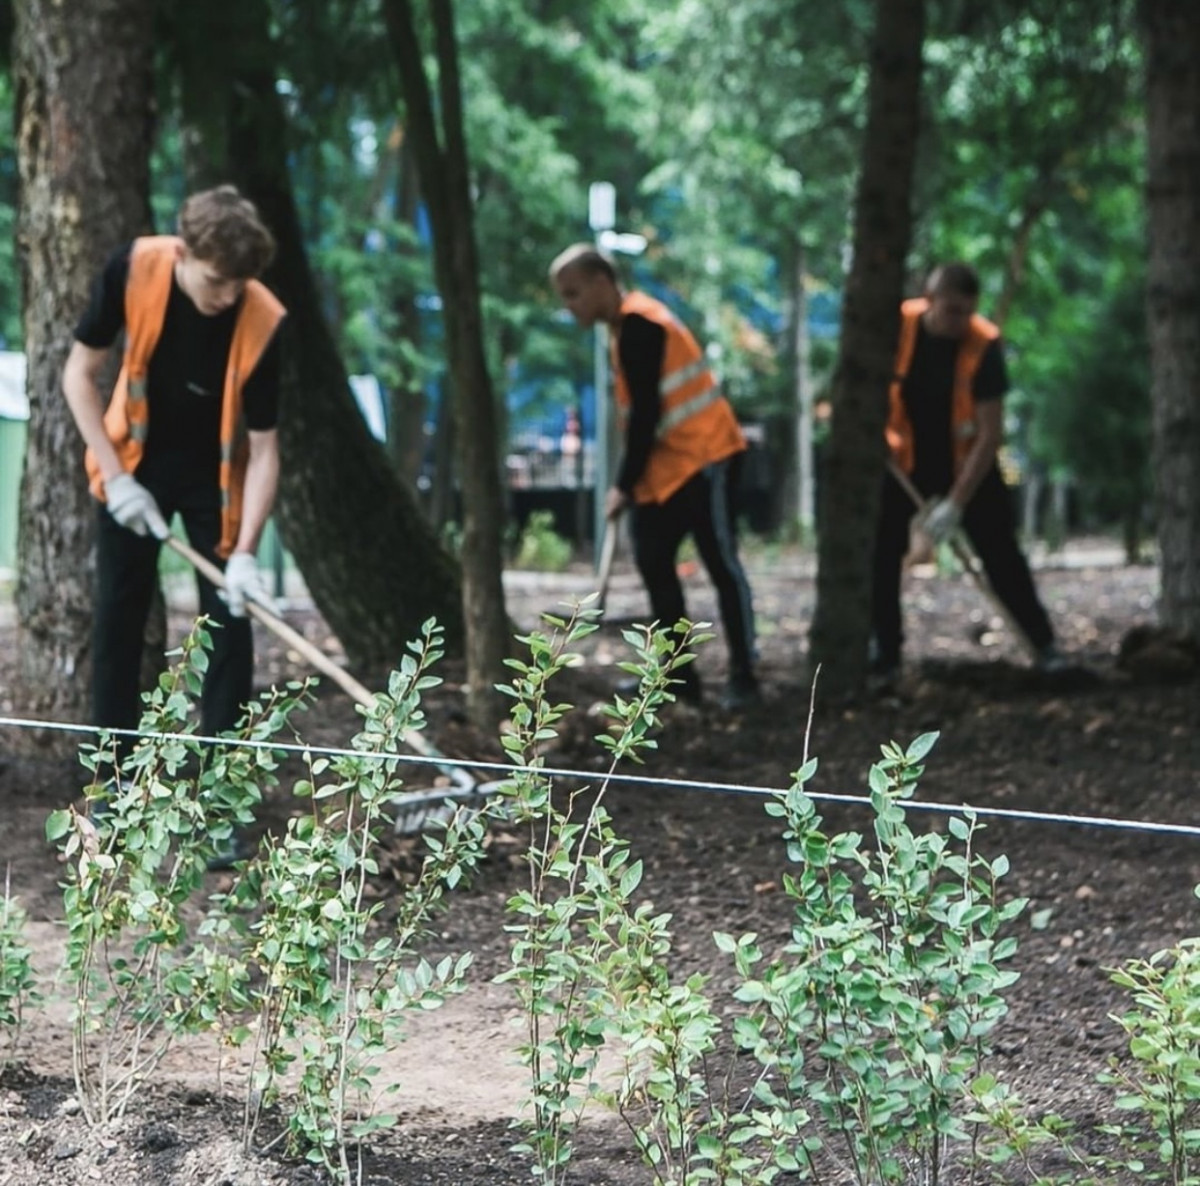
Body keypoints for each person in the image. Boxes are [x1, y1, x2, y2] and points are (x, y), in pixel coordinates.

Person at [62, 184, 286, 803]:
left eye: (238, 285)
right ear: (185, 252)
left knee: (229, 621)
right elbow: (78, 376)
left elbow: (266, 450)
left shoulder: (261, 315)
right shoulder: (134, 268)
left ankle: (222, 796)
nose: (227, 297)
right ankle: (112, 788)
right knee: (118, 616)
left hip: (213, 475)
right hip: (133, 458)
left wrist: (243, 552)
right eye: (216, 281)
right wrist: (118, 479)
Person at [550, 244, 759, 709]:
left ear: (603, 283)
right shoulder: (618, 330)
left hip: (706, 458)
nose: (569, 306)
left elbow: (646, 413)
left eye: (573, 293)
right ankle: (677, 681)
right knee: (653, 560)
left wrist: (623, 485)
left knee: (722, 565)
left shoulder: (642, 325)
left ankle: (745, 676)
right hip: (667, 467)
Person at [871, 262, 1061, 680]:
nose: (959, 321)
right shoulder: (896, 327)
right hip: (905, 462)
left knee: (1001, 553)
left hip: (966, 463)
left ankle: (1043, 645)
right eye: (951, 310)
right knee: (881, 552)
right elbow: (869, 390)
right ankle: (883, 654)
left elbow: (989, 434)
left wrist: (955, 505)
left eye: (966, 312)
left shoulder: (984, 344)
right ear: (930, 298)